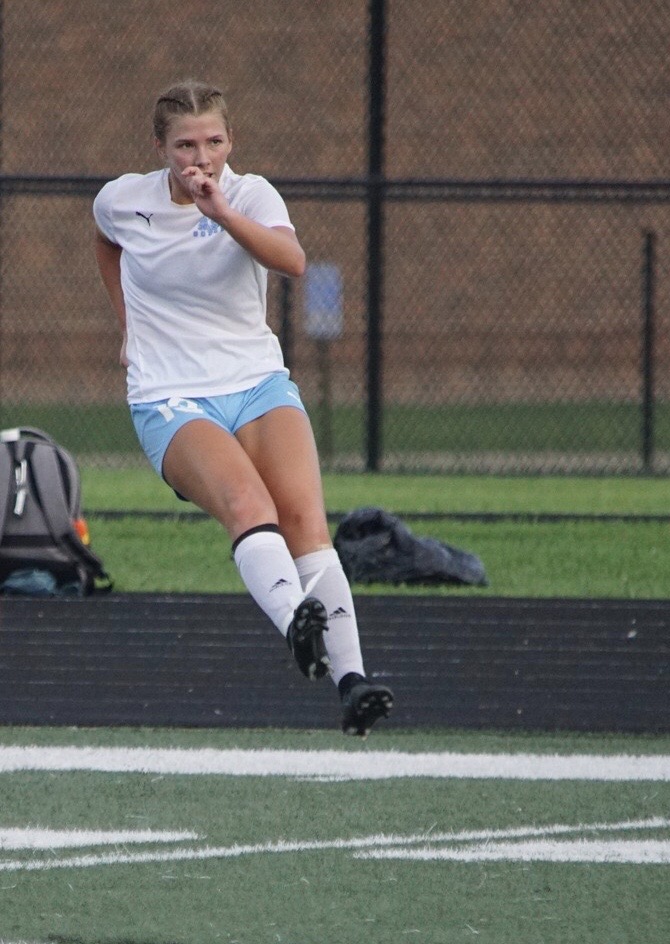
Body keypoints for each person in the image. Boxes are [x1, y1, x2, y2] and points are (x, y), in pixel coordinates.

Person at [93, 80, 393, 736]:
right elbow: (106, 241)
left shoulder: (250, 193)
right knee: (249, 509)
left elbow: (292, 261)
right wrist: (127, 326)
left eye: (215, 141)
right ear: (159, 147)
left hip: (256, 381)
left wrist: (221, 211)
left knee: (304, 521)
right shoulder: (123, 200)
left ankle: (352, 682)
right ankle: (295, 623)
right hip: (170, 395)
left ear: (231, 141)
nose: (201, 155)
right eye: (185, 144)